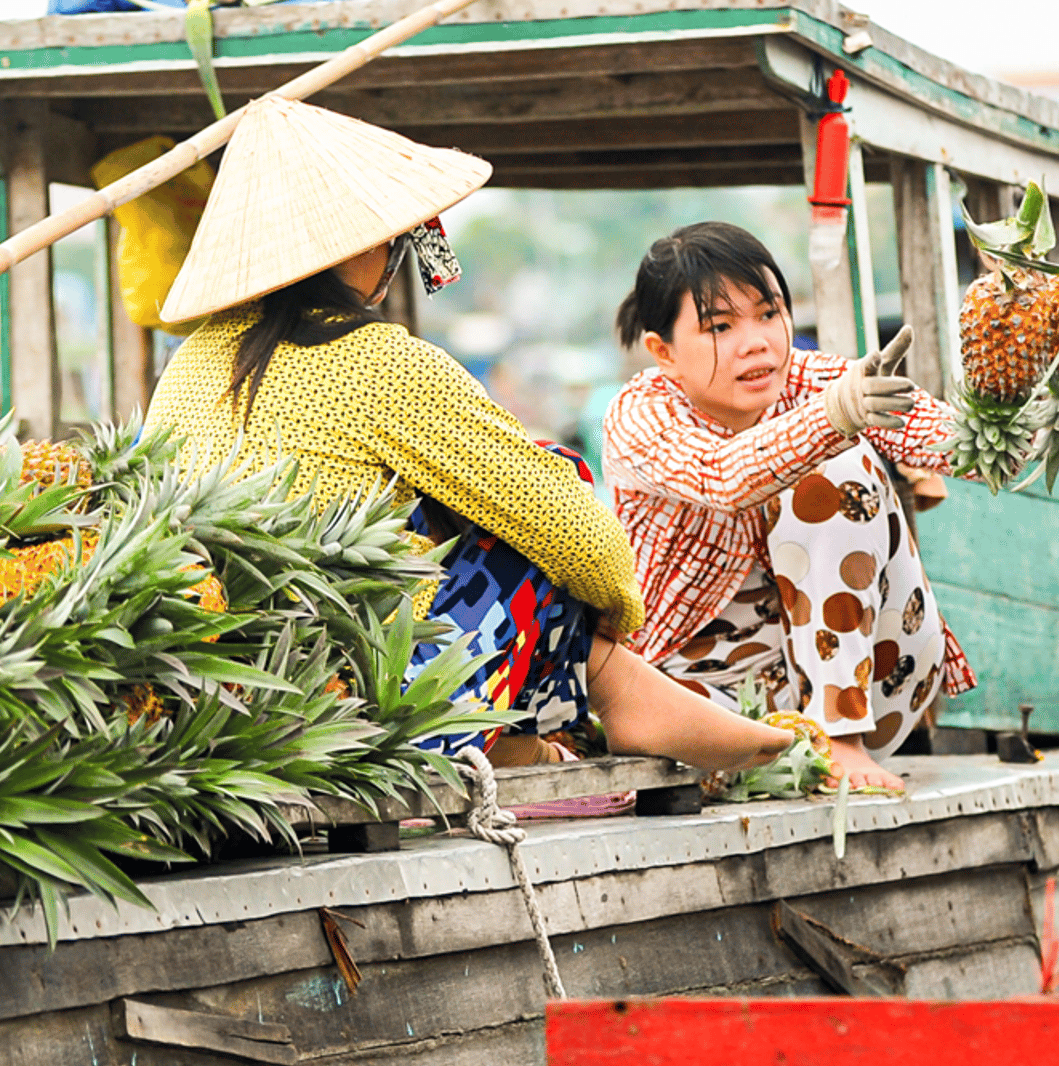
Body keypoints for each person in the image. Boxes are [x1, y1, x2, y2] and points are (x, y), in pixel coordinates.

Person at [143, 96, 789, 776]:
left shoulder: (189, 363)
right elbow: (576, 532)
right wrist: (616, 618)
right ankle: (621, 696)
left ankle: (553, 722)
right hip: (354, 702)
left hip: (214, 691)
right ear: (364, 243)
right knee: (546, 488)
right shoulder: (379, 361)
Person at [604, 222, 975, 791]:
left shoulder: (820, 379)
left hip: (880, 684)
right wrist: (833, 418)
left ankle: (843, 740)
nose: (757, 343)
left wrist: (1012, 408)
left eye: (769, 314)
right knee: (818, 457)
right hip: (710, 696)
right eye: (720, 327)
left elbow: (950, 442)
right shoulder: (639, 417)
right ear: (664, 352)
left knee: (838, 470)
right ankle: (785, 747)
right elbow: (726, 476)